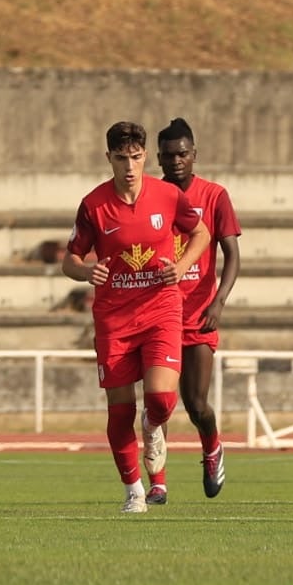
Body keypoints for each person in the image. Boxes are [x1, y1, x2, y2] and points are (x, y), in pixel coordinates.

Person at [62, 121, 210, 514]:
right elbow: (70, 259)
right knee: (120, 410)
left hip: (161, 308)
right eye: (121, 158)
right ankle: (134, 492)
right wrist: (84, 271)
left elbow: (201, 235)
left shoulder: (166, 195)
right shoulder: (94, 204)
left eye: (136, 157)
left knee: (160, 399)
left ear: (145, 155)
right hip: (114, 318)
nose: (130, 166)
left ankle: (153, 427)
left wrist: (180, 267)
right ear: (108, 158)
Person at [152, 117, 241, 503]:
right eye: (169, 156)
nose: (176, 162)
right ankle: (158, 483)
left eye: (182, 154)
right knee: (159, 403)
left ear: (194, 155)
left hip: (199, 313)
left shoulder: (214, 196)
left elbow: (233, 255)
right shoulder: (150, 195)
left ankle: (212, 447)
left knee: (196, 404)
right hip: (157, 313)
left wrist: (219, 301)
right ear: (158, 158)